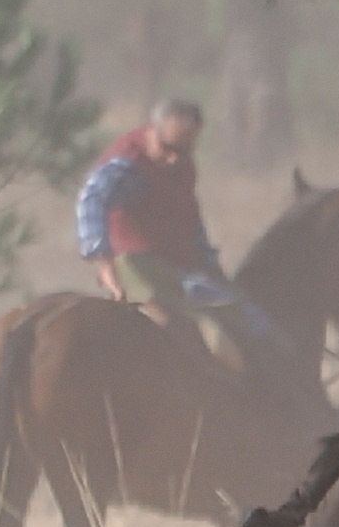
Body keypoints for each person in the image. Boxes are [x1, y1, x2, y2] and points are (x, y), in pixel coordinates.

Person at [75, 96, 273, 369]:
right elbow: (91, 198)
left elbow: (190, 222)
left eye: (184, 150)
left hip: (177, 269)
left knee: (254, 321)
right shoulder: (128, 163)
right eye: (167, 147)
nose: (173, 159)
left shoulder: (183, 167)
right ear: (152, 130)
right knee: (206, 338)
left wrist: (211, 268)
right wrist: (104, 265)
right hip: (136, 266)